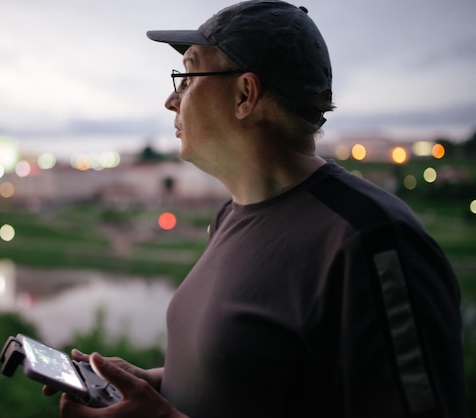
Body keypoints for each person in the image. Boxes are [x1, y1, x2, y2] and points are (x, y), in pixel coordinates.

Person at [46, 1, 468, 416]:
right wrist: (153, 385)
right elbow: (262, 380)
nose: (172, 100)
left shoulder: (371, 239)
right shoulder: (231, 216)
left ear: (245, 94)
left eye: (188, 77)